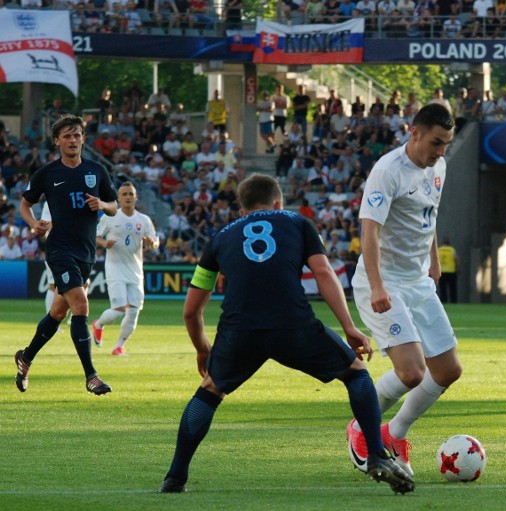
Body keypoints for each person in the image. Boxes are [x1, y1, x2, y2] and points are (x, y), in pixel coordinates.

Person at [159, 174, 414, 494]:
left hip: (240, 329)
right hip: (293, 323)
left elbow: (191, 311)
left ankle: (175, 476)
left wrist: (202, 349)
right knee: (356, 372)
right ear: (279, 203)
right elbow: (322, 272)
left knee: (210, 391)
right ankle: (376, 455)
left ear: (242, 211)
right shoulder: (298, 222)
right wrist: (349, 327)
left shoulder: (220, 238)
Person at [346, 104, 461, 479]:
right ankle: (362, 428)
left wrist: (433, 256)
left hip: (417, 280)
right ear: (414, 132)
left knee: (447, 370)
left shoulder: (437, 167)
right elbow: (369, 231)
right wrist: (378, 285)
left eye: (445, 144)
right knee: (411, 372)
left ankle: (394, 435)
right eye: (436, 142)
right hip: (384, 281)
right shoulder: (388, 170)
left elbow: (429, 213)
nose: (440, 151)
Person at [16, 115, 118, 395]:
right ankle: (91, 376)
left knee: (58, 312)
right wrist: (33, 223)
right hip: (60, 250)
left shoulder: (97, 171)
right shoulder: (47, 174)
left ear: (83, 139)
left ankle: (26, 358)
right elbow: (25, 204)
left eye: (77, 135)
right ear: (57, 140)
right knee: (81, 306)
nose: (73, 140)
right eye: (67, 136)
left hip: (86, 252)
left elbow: (114, 206)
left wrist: (102, 203)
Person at [91, 182, 159, 357]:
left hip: (135, 270)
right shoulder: (110, 217)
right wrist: (105, 243)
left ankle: (119, 346)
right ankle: (98, 324)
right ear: (118, 198)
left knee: (134, 310)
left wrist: (153, 243)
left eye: (131, 194)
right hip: (115, 268)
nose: (128, 197)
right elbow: (95, 236)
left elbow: (155, 241)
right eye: (124, 194)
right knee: (119, 309)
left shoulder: (143, 220)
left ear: (135, 197)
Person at [437, 236, 459, 303]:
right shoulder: (452, 250)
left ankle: (444, 301)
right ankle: (453, 301)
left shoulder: (439, 249)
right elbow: (457, 259)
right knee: (452, 288)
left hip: (441, 271)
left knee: (443, 288)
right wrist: (457, 267)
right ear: (449, 243)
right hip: (451, 271)